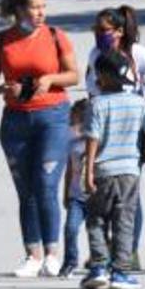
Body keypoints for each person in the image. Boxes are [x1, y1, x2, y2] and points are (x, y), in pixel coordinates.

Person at [0, 0, 79, 278]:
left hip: (53, 117)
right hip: (15, 121)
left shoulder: (55, 36)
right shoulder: (2, 41)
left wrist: (50, 80)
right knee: (26, 192)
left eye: (43, 7)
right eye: (35, 7)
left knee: (46, 185)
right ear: (20, 10)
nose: (41, 13)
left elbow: (74, 75)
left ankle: (52, 253)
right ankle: (32, 255)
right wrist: (2, 87)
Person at [84, 5, 145, 269]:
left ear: (120, 31)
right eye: (96, 30)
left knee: (127, 193)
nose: (99, 35)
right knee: (104, 193)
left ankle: (128, 250)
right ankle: (108, 249)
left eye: (104, 31)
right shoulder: (95, 54)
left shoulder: (137, 53)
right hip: (102, 125)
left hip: (130, 130)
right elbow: (92, 89)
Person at [59, 99, 90, 278]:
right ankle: (70, 261)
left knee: (98, 232)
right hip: (76, 196)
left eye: (75, 117)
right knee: (70, 228)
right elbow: (70, 168)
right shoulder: (73, 141)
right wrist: (66, 193)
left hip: (95, 195)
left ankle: (101, 261)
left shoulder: (99, 138)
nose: (71, 120)